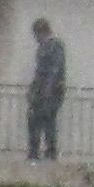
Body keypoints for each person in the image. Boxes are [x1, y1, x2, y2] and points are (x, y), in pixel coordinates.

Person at [25, 15, 67, 159]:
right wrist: (33, 89)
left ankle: (49, 152)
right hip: (41, 91)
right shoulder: (43, 48)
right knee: (35, 120)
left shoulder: (56, 46)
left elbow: (55, 69)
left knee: (47, 120)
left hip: (51, 91)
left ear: (42, 32)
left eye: (36, 35)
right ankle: (35, 151)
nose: (36, 38)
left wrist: (48, 88)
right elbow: (39, 71)